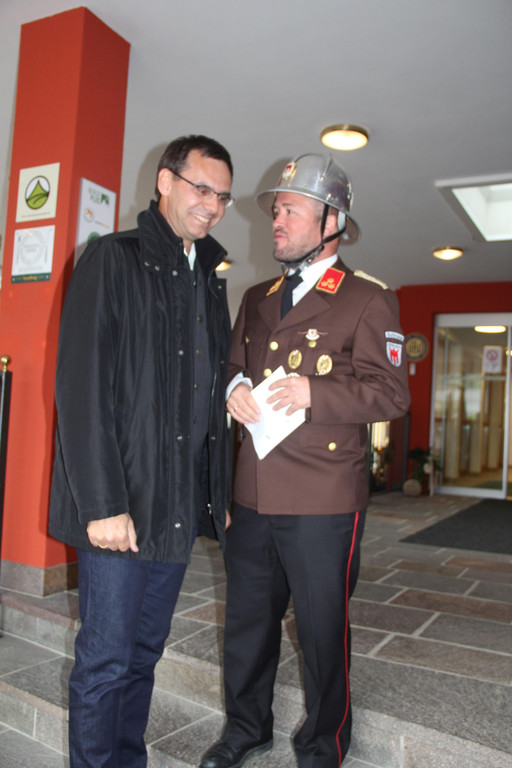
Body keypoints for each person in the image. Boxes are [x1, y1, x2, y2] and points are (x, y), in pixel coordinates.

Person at [200, 154, 410, 768]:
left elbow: (391, 395)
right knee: (247, 625)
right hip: (252, 493)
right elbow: (231, 366)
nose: (277, 219)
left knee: (321, 631)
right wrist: (233, 388)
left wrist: (315, 392)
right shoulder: (256, 298)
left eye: (291, 209)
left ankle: (323, 744)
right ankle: (246, 729)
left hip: (323, 499)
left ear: (331, 222)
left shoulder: (367, 299)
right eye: (277, 209)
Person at [48, 135, 234, 767]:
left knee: (144, 656)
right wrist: (102, 503)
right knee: (104, 661)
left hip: (175, 508)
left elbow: (205, 399)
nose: (212, 205)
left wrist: (216, 491)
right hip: (120, 507)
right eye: (201, 188)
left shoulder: (209, 281)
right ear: (165, 181)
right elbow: (80, 387)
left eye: (223, 196)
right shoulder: (112, 259)